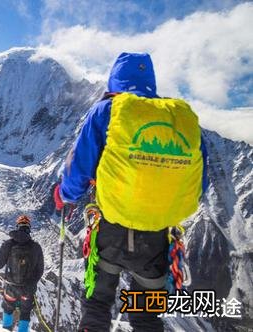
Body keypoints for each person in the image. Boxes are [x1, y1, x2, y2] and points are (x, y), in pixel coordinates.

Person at [54, 52, 208, 332]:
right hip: (157, 239)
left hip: (110, 230)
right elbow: (200, 183)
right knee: (147, 317)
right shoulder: (179, 122)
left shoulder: (106, 112)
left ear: (114, 81)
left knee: (97, 305)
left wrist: (65, 195)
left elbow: (79, 168)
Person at [0, 215, 44, 332]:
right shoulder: (36, 247)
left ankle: (6, 330)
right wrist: (31, 284)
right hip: (27, 290)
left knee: (8, 309)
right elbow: (40, 270)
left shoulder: (8, 244)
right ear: (29, 228)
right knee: (25, 313)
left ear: (17, 226)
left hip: (11, 287)